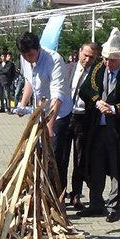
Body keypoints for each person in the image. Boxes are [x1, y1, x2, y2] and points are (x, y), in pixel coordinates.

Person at [76, 28, 120, 223]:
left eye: (111, 60)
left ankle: (113, 205)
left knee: (116, 167)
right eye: (105, 59)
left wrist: (115, 109)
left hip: (118, 130)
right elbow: (84, 91)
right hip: (96, 127)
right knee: (95, 165)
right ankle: (96, 203)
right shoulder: (98, 69)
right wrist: (97, 101)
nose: (107, 63)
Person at [16, 31, 72, 192]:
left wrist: (50, 124)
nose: (28, 58)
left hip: (59, 113)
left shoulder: (54, 60)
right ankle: (39, 191)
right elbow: (29, 81)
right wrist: (22, 104)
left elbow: (58, 95)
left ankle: (55, 195)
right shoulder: (24, 58)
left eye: (31, 54)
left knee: (53, 156)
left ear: (38, 48)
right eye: (25, 55)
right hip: (39, 111)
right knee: (37, 152)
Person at [64, 42, 99, 210]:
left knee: (79, 158)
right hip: (64, 116)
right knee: (60, 157)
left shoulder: (96, 73)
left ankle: (76, 194)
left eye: (91, 57)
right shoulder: (67, 68)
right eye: (85, 55)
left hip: (83, 118)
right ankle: (60, 192)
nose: (87, 59)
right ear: (79, 52)